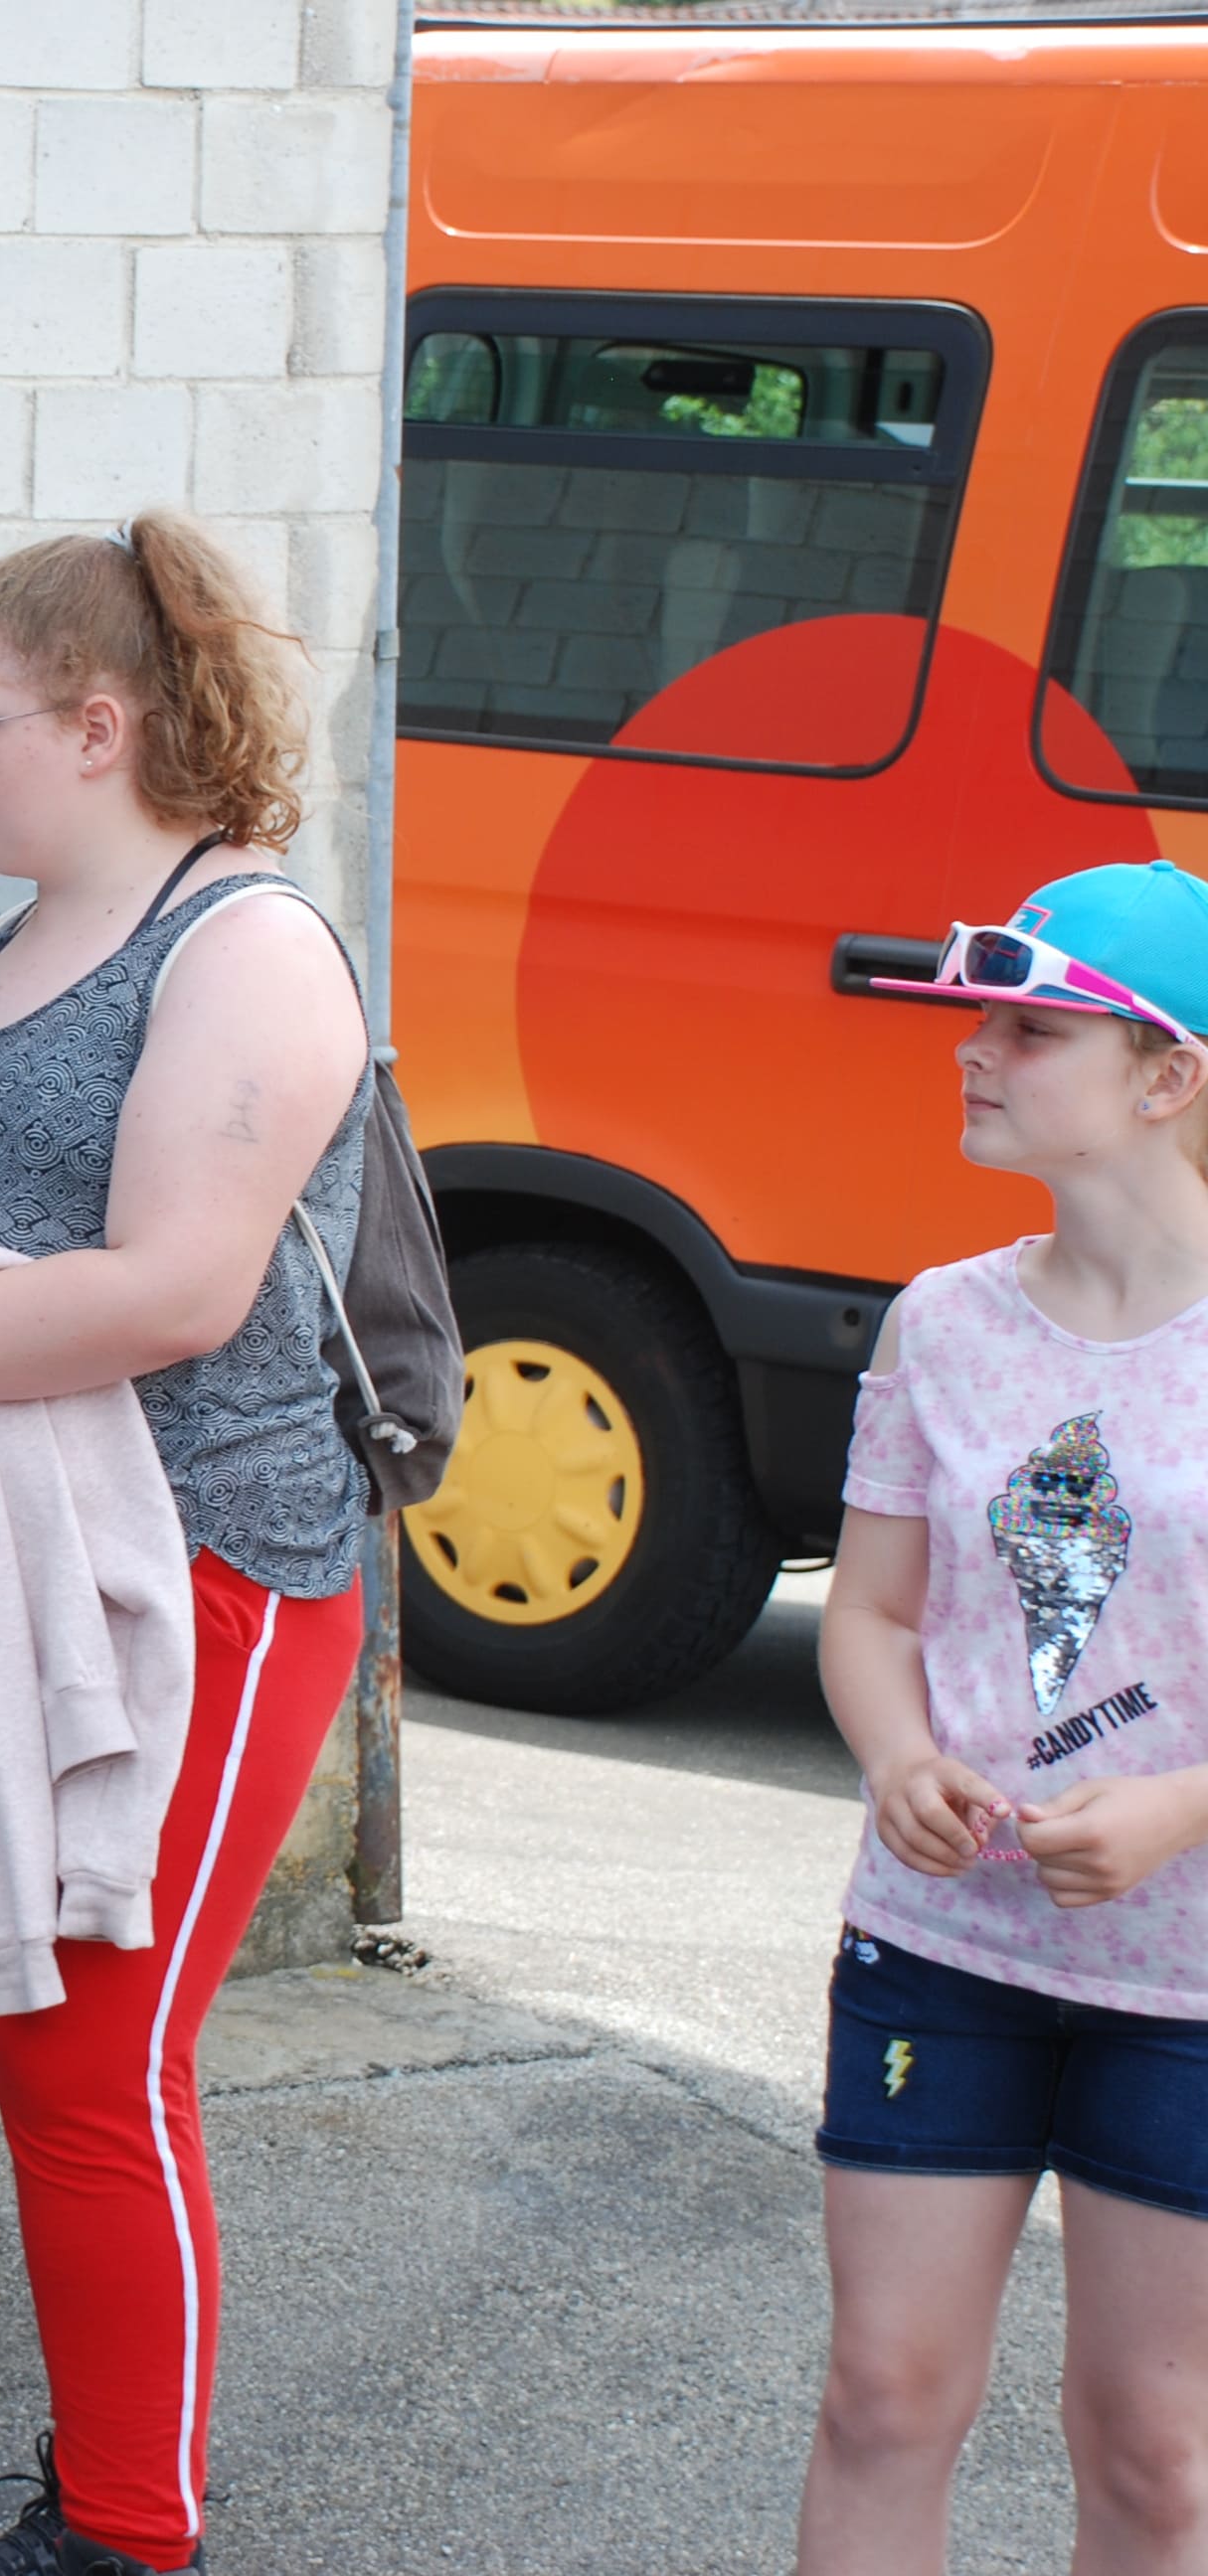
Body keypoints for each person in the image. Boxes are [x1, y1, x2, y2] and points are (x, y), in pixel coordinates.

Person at [0, 511, 370, 2576]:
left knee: (95, 2064)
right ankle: (114, 2486)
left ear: (102, 726)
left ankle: (129, 2533)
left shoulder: (247, 948)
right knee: (62, 2062)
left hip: (208, 1572)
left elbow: (172, 1293)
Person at [792, 862, 1208, 2576]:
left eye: (1029, 1031)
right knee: (882, 2398)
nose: (973, 1053)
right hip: (941, 1951)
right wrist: (901, 1756)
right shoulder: (942, 1320)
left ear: (1168, 1076)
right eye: (978, 1022)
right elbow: (871, 1614)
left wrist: (1180, 1807)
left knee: (1156, 2453)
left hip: (1187, 1992)